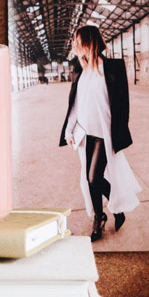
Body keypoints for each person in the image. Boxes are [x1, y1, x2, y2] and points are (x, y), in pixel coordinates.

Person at [59, 26, 141, 241]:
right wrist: (69, 130)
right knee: (89, 180)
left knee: (94, 178)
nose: (75, 47)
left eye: (78, 42)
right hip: (84, 133)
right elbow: (75, 104)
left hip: (104, 133)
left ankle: (114, 209)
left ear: (88, 43)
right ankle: (101, 216)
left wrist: (120, 132)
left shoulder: (113, 67)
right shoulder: (80, 70)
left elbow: (123, 104)